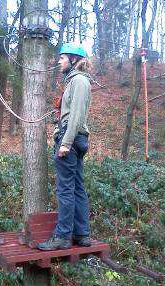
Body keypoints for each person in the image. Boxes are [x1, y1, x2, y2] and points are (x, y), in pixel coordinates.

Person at [38, 43, 95, 251]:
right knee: (78, 187)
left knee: (65, 190)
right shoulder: (74, 81)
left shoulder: (79, 81)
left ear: (73, 59)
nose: (58, 61)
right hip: (74, 138)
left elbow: (77, 116)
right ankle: (81, 234)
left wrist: (65, 142)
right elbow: (69, 114)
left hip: (71, 140)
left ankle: (62, 236)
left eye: (62, 58)